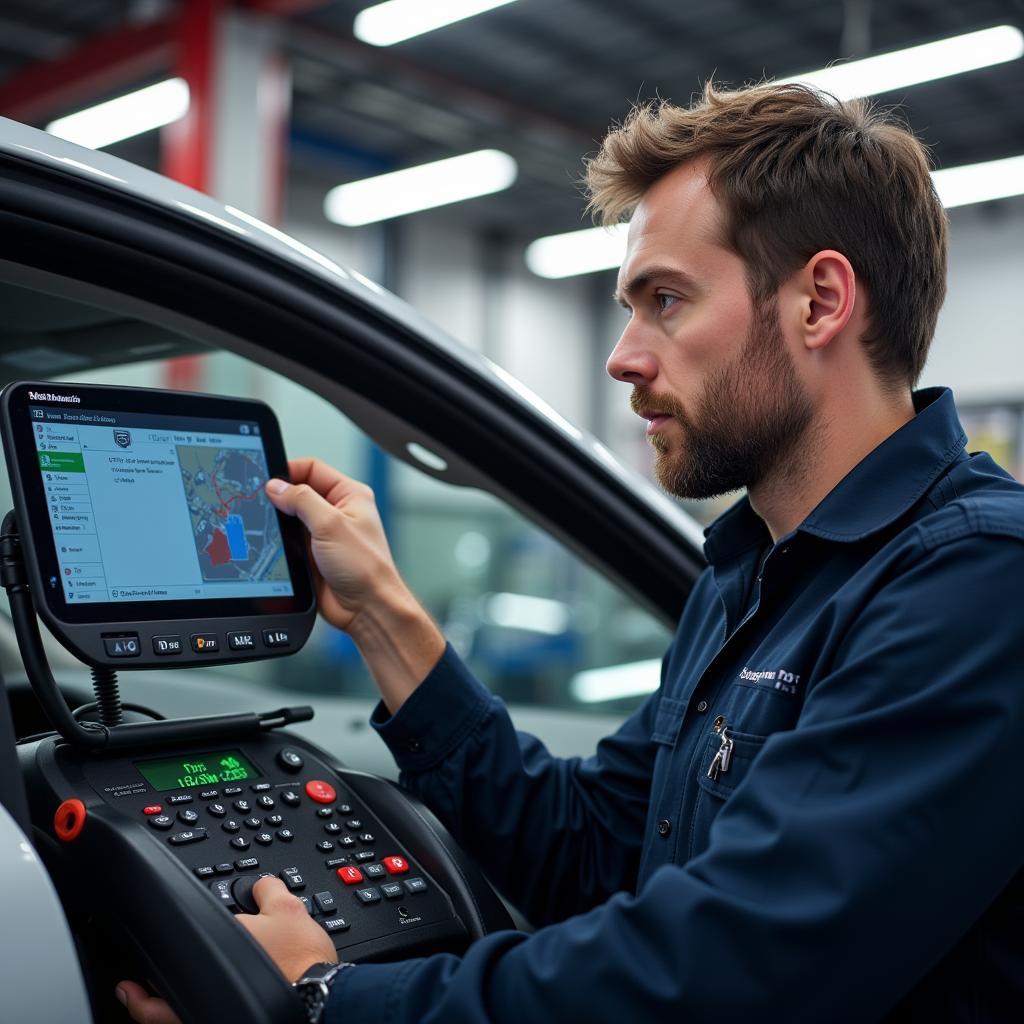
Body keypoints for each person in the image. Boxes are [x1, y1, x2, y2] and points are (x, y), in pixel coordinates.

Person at [118, 81, 1024, 1023]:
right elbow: (592, 852)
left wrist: (322, 999)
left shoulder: (979, 580)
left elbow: (728, 969)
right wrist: (384, 616)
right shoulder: (752, 575)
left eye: (665, 300)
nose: (622, 356)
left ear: (820, 301)